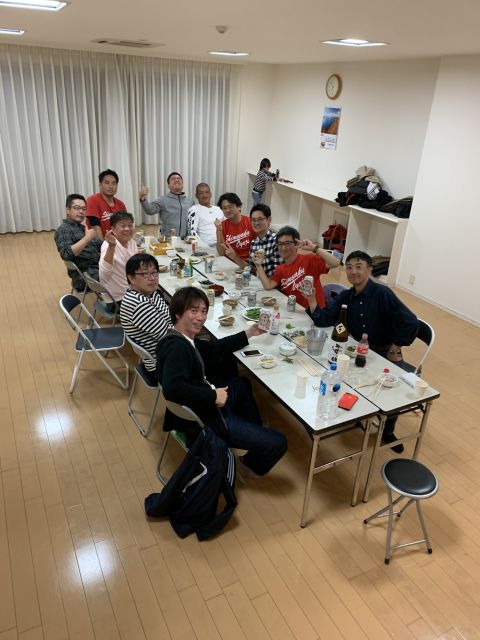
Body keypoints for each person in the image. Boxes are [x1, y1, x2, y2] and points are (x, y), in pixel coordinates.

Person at [156, 287, 288, 477]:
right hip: (208, 418)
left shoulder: (184, 338)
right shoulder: (177, 348)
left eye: (203, 311)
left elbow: (217, 348)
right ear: (177, 313)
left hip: (204, 403)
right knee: (279, 443)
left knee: (241, 384)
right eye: (194, 311)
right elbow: (172, 388)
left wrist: (249, 333)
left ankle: (256, 433)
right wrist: (213, 396)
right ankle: (247, 464)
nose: (200, 317)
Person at [305, 250, 420, 452]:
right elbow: (325, 320)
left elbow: (411, 322)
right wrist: (312, 298)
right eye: (349, 267)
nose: (353, 272)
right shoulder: (346, 296)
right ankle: (359, 415)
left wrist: (396, 347)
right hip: (358, 352)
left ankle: (387, 431)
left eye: (359, 267)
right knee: (342, 376)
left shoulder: (383, 294)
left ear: (369, 270)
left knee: (393, 394)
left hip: (385, 352)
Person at [254, 225, 340, 309]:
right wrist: (258, 265)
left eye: (287, 243)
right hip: (296, 312)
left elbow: (335, 263)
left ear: (296, 244)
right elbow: (268, 285)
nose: (283, 248)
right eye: (280, 244)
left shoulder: (309, 259)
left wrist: (314, 248)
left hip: (316, 313)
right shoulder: (280, 269)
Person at [120, 254, 171, 383]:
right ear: (131, 278)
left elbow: (169, 317)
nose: (152, 278)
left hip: (167, 351)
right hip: (164, 364)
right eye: (145, 274)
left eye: (154, 272)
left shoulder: (150, 293)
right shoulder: (138, 304)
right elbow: (170, 337)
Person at [54, 194, 102, 290]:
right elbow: (66, 254)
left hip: (97, 268)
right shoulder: (63, 229)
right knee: (121, 277)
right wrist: (87, 238)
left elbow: (98, 244)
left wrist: (113, 243)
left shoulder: (81, 228)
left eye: (84, 209)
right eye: (77, 208)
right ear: (68, 210)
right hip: (84, 277)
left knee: (125, 268)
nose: (81, 211)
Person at [221, 203, 283, 277]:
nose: (256, 223)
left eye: (260, 219)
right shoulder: (254, 242)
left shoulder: (277, 242)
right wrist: (235, 257)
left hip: (272, 283)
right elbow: (251, 269)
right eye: (253, 220)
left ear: (269, 220)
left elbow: (279, 276)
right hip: (259, 281)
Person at [99, 211, 138, 311]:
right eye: (122, 226)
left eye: (130, 225)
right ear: (113, 229)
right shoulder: (108, 245)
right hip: (117, 300)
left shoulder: (132, 242)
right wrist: (111, 247)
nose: (127, 229)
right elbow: (103, 273)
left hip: (131, 291)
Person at [139, 171, 195, 238]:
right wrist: (142, 198)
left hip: (186, 239)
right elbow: (150, 210)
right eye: (173, 179)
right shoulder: (162, 200)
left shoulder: (190, 201)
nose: (176, 180)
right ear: (168, 185)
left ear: (182, 184)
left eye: (179, 179)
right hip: (167, 239)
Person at [86, 169, 127, 239]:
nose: (111, 186)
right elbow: (95, 226)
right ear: (100, 185)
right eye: (107, 183)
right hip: (98, 243)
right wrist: (103, 245)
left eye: (114, 183)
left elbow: (124, 226)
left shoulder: (121, 204)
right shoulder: (92, 200)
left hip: (116, 242)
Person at [215, 193, 255, 262]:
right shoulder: (222, 225)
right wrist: (219, 231)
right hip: (230, 262)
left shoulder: (251, 222)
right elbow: (221, 253)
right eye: (224, 208)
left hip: (248, 262)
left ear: (239, 206)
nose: (227, 210)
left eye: (230, 207)